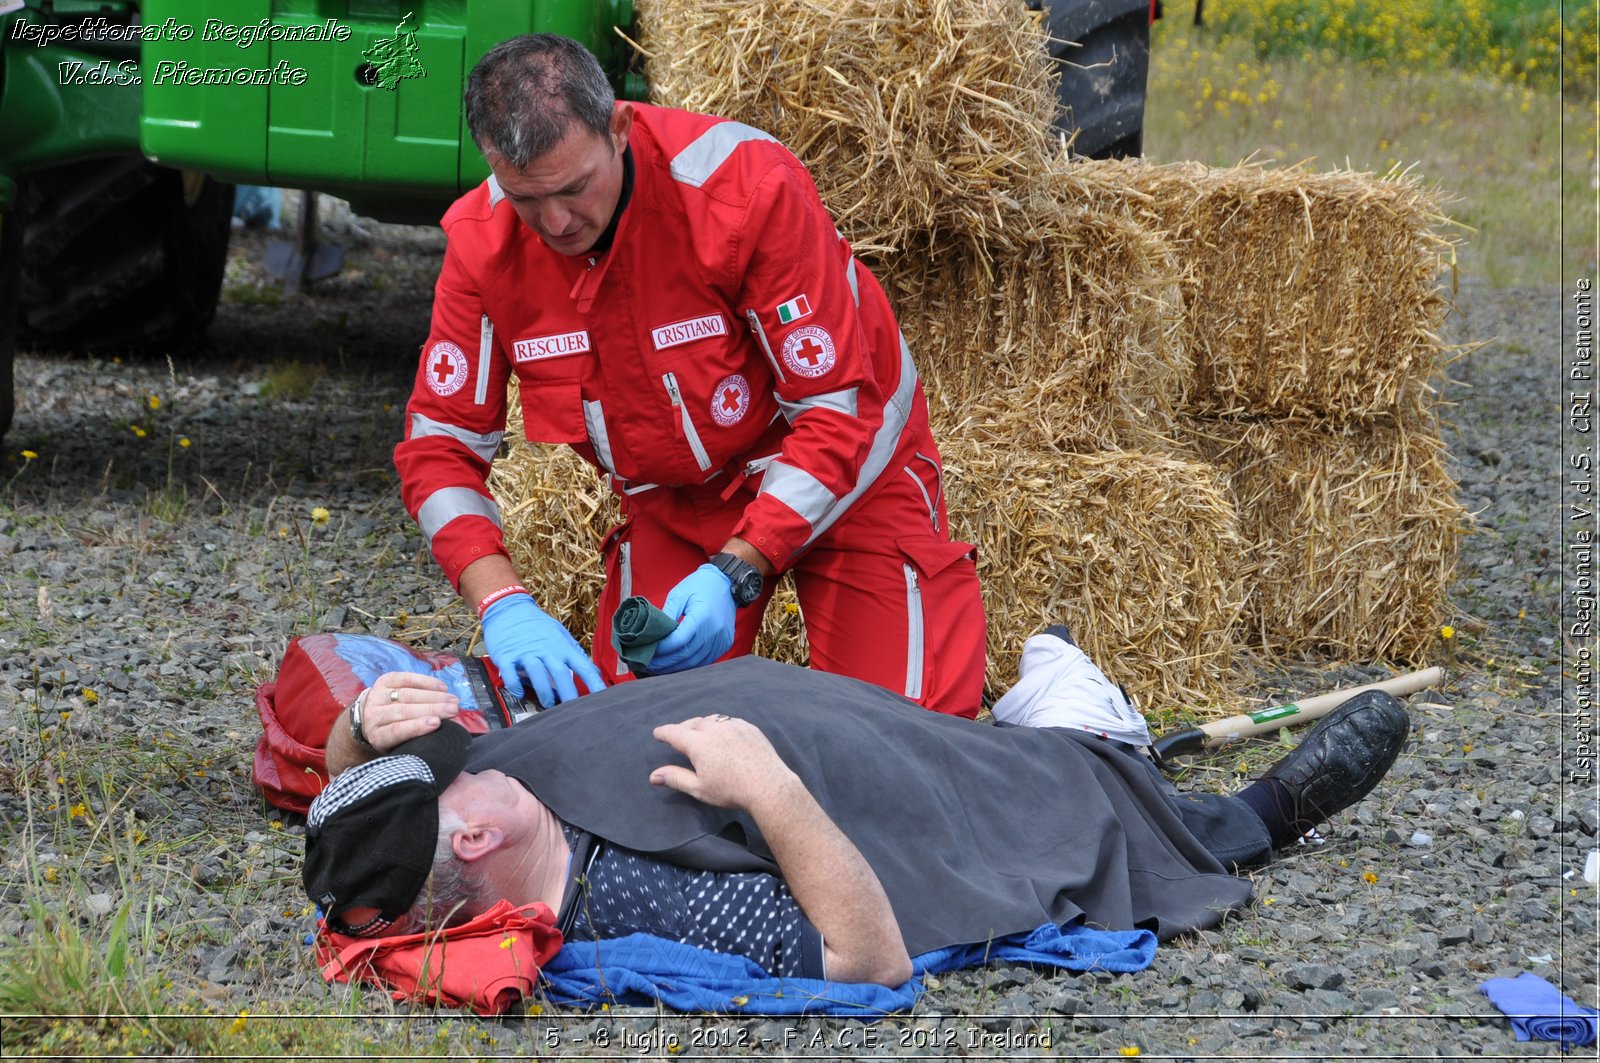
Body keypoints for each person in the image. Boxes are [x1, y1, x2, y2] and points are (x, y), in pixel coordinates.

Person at [394, 33, 986, 715]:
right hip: (678, 502)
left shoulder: (743, 190)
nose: (556, 222)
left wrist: (739, 564)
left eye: (574, 188)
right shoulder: (483, 245)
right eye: (527, 198)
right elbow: (440, 450)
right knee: (636, 749)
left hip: (847, 474)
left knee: (899, 738)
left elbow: (837, 409)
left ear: (619, 127)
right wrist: (501, 600)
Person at [303, 635, 1412, 988]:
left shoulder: (480, 805)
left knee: (1031, 696)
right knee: (1078, 787)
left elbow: (339, 819)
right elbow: (865, 956)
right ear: (475, 838)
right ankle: (1260, 811)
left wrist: (357, 726)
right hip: (917, 798)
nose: (462, 753)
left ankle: (1075, 715)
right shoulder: (636, 903)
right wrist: (770, 789)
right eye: (449, 772)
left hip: (874, 719)